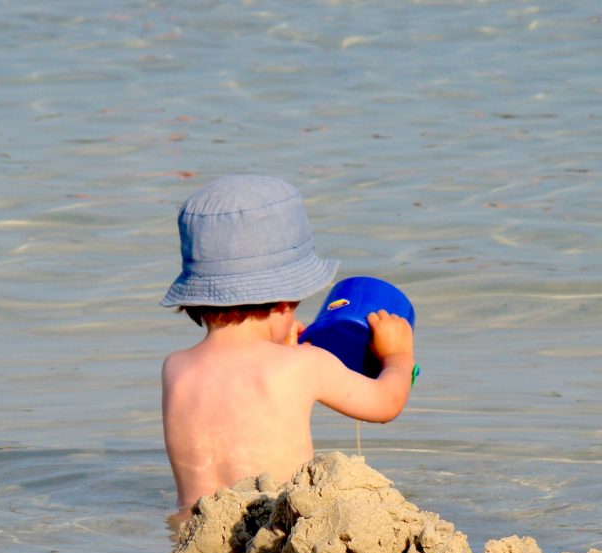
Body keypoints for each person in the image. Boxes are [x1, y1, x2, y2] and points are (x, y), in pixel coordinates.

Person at [160, 175, 415, 512]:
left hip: (190, 539)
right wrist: (397, 354)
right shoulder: (305, 365)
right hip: (273, 536)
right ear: (284, 302)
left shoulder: (175, 367)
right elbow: (386, 404)